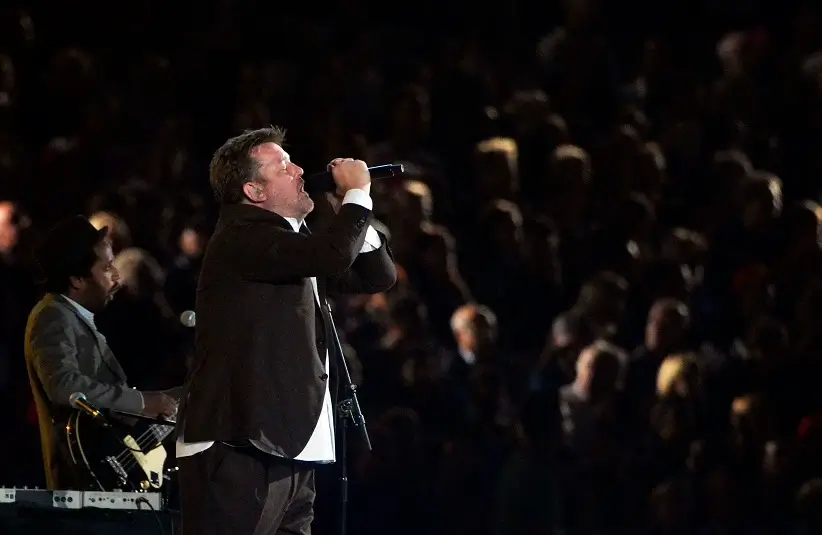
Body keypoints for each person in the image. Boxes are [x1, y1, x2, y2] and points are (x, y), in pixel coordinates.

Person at [176, 126, 397, 535]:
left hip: (286, 443)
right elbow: (332, 256)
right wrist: (356, 198)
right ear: (255, 191)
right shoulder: (241, 238)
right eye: (282, 166)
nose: (299, 170)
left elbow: (377, 277)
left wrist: (347, 211)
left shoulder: (292, 242)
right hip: (241, 443)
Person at [24, 216, 179, 490]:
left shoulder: (75, 317)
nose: (117, 277)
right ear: (76, 279)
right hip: (84, 484)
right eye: (107, 267)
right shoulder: (52, 315)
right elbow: (64, 386)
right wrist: (142, 402)